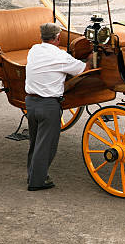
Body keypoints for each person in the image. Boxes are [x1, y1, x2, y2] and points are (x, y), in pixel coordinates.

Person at [24, 23, 90, 191]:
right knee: (47, 145)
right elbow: (84, 69)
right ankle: (37, 182)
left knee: (36, 142)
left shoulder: (34, 50)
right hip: (48, 106)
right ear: (58, 38)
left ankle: (33, 175)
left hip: (30, 103)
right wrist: (91, 58)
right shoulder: (60, 56)